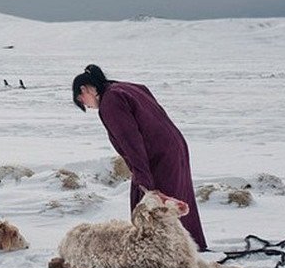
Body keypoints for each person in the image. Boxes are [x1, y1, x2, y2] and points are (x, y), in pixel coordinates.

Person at [72, 64, 208, 251]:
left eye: (82, 100)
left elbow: (131, 143)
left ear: (84, 89)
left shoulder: (110, 102)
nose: (87, 105)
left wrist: (145, 184)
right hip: (174, 147)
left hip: (157, 155)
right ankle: (192, 248)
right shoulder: (127, 88)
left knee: (154, 205)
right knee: (177, 198)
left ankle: (167, 254)